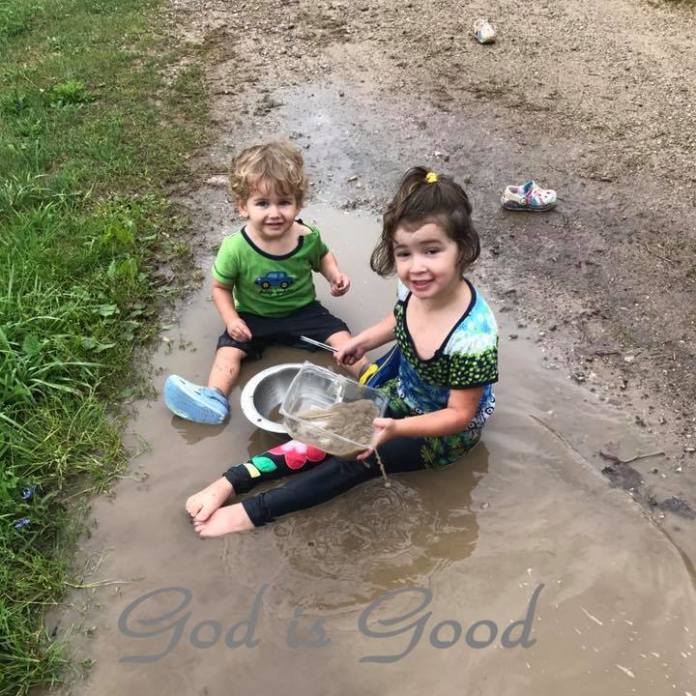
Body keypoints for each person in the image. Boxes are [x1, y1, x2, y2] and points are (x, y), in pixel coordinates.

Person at [185, 166, 498, 537]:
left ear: (462, 247)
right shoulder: (415, 287)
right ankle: (233, 480)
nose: (417, 268)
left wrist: (395, 429)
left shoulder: (473, 338)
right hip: (399, 394)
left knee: (354, 461)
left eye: (432, 251)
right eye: (404, 254)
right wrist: (362, 341)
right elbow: (400, 318)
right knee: (327, 427)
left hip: (438, 435)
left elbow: (460, 416)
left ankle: (252, 512)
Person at [164, 141, 367, 424]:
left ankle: (374, 380)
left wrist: (335, 275)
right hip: (253, 317)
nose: (274, 213)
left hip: (304, 312)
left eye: (284, 202)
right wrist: (232, 319)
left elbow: (323, 257)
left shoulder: (307, 237)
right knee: (228, 352)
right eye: (262, 203)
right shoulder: (235, 248)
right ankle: (213, 398)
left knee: (342, 338)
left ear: (299, 203)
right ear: (242, 207)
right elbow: (220, 288)